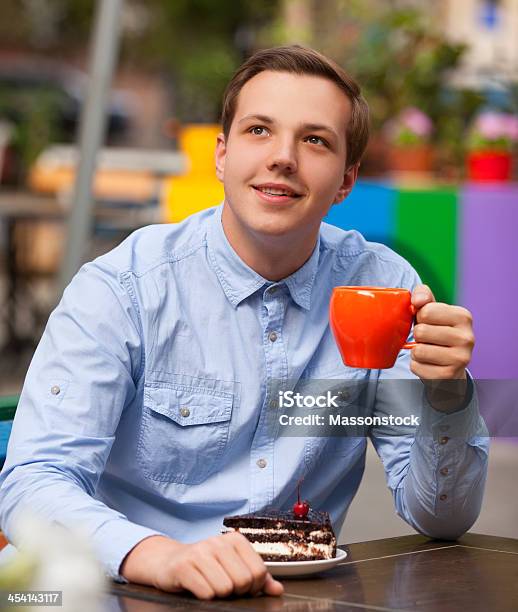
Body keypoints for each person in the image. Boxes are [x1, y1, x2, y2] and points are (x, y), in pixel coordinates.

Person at [0, 45, 488, 600]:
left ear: (347, 180)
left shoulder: (385, 288)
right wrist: (159, 556)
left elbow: (441, 520)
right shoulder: (125, 286)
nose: (283, 157)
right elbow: (31, 484)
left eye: (315, 140)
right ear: (221, 156)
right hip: (120, 592)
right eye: (259, 130)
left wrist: (446, 395)